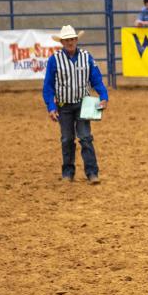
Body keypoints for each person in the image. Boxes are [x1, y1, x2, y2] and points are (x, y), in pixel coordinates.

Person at [42, 25, 109, 184]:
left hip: (83, 103)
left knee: (85, 137)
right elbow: (48, 86)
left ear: (76, 40)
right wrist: (51, 107)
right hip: (63, 106)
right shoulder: (54, 59)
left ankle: (92, 172)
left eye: (72, 39)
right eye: (67, 40)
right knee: (67, 139)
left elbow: (96, 79)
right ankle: (68, 172)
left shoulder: (87, 57)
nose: (70, 42)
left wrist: (103, 96)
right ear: (62, 42)